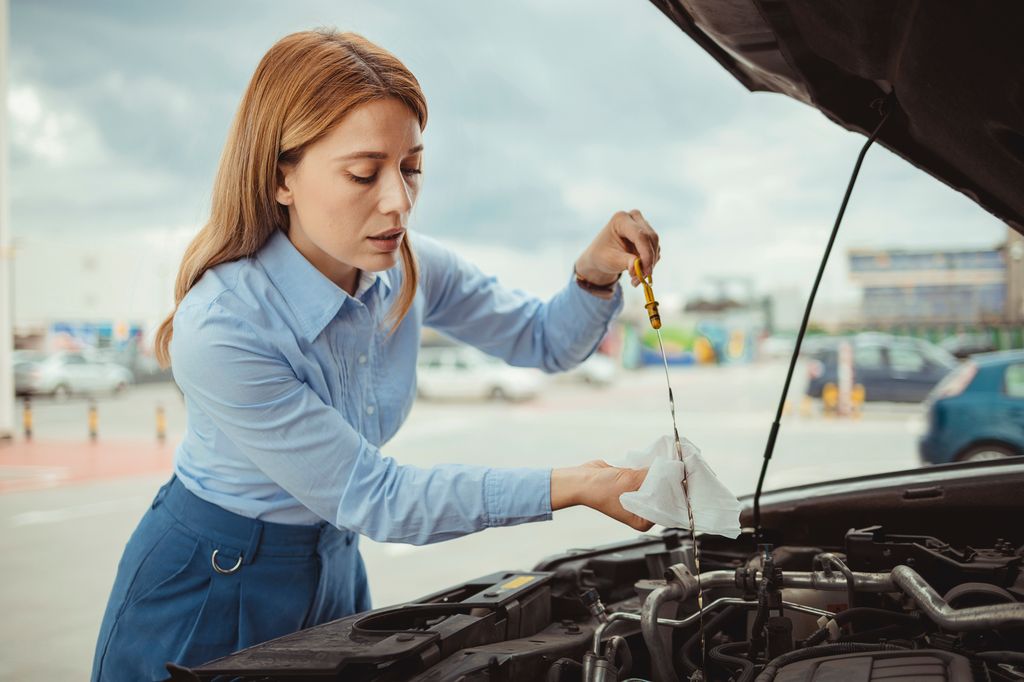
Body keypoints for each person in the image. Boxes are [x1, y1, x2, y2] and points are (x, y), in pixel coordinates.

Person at [91, 29, 662, 681]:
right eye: (365, 172)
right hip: (210, 588)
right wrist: (578, 483)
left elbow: (545, 340)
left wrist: (592, 277)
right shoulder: (223, 328)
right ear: (282, 176)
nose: (399, 202)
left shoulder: (410, 267)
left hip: (335, 569)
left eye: (411, 167)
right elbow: (378, 496)